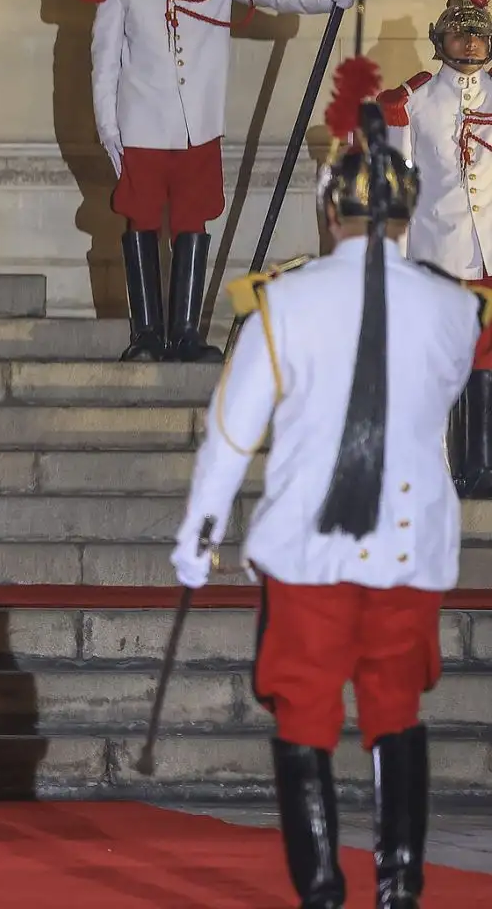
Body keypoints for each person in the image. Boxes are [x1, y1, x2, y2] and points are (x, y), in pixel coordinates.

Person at [171, 58, 488, 909]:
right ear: (407, 213)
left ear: (330, 208)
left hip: (308, 543)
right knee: (396, 709)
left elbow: (234, 431)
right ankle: (400, 883)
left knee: (304, 713)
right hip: (408, 542)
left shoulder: (281, 301)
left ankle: (319, 888)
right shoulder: (458, 307)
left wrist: (199, 533)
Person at [82, 0, 355, 363]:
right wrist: (108, 129)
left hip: (197, 127)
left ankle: (184, 332)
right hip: (140, 125)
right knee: (140, 222)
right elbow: (104, 63)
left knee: (192, 222)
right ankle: (146, 334)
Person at [382, 0, 492, 494]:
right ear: (440, 39)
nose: (471, 43)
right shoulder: (415, 100)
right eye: (460, 33)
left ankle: (482, 465)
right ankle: (440, 469)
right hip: (439, 256)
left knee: (486, 365)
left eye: (480, 34)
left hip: (488, 257)